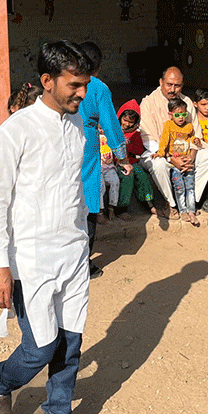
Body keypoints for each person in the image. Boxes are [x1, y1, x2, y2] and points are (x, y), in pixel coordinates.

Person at [0, 40, 99, 414]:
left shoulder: (78, 126)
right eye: (74, 85)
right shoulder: (16, 131)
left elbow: (71, 192)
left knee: (70, 345)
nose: (81, 93)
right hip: (30, 259)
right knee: (39, 348)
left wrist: (84, 240)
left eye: (85, 85)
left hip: (72, 253)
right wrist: (0, 265)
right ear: (47, 81)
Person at [78, 42, 131, 279]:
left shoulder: (61, 83)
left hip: (58, 143)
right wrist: (122, 157)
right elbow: (110, 124)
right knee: (89, 202)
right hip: (87, 146)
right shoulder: (97, 88)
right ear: (97, 68)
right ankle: (83, 265)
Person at [139, 67, 208, 219]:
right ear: (161, 82)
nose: (173, 89)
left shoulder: (186, 102)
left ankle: (190, 202)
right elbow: (149, 140)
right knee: (158, 165)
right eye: (169, 84)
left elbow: (196, 134)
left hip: (185, 154)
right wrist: (171, 158)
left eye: (177, 86)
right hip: (160, 154)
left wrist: (191, 156)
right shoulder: (148, 103)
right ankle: (172, 204)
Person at [153, 99, 202, 226]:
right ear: (170, 114)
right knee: (179, 187)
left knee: (190, 187)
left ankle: (191, 211)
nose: (181, 118)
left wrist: (195, 140)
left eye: (184, 114)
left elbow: (190, 138)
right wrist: (160, 153)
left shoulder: (189, 126)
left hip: (186, 161)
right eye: (177, 115)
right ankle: (182, 211)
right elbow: (164, 139)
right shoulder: (168, 126)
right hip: (174, 164)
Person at [114, 101, 157, 216]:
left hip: (132, 161)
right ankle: (121, 208)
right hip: (117, 163)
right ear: (120, 117)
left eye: (130, 122)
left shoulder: (136, 134)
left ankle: (148, 202)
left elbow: (140, 150)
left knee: (142, 176)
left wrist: (128, 145)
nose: (127, 124)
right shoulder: (113, 131)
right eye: (125, 120)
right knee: (127, 177)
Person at [99, 128, 120, 221]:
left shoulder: (110, 136)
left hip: (109, 167)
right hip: (97, 167)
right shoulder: (91, 136)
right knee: (100, 185)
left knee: (115, 182)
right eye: (99, 128)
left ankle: (111, 208)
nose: (101, 130)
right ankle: (99, 212)